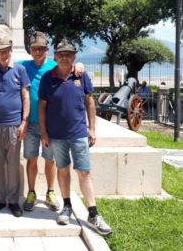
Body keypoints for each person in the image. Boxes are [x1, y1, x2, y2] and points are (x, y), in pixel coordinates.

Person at [38, 40, 112, 236]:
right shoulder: (48, 78)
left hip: (78, 133)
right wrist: (43, 132)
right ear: (55, 57)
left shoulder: (81, 75)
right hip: (56, 135)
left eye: (68, 54)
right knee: (63, 170)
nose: (64, 57)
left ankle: (93, 213)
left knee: (84, 172)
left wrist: (92, 128)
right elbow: (42, 107)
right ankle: (67, 206)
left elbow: (90, 103)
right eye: (61, 54)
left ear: (74, 57)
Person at [0, 35, 30, 217]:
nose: (4, 54)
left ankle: (14, 201)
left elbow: (25, 97)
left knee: (13, 165)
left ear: (11, 51)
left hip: (14, 126)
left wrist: (24, 122)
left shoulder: (20, 70)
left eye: (7, 50)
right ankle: (0, 200)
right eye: (0, 51)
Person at [18, 32, 60, 212]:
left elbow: (72, 70)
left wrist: (80, 65)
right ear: (29, 50)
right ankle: (32, 192)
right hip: (30, 122)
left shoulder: (55, 67)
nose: (37, 52)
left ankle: (51, 191)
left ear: (47, 50)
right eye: (34, 48)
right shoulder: (22, 66)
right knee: (31, 158)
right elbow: (0, 65)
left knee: (50, 160)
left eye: (41, 49)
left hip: (49, 124)